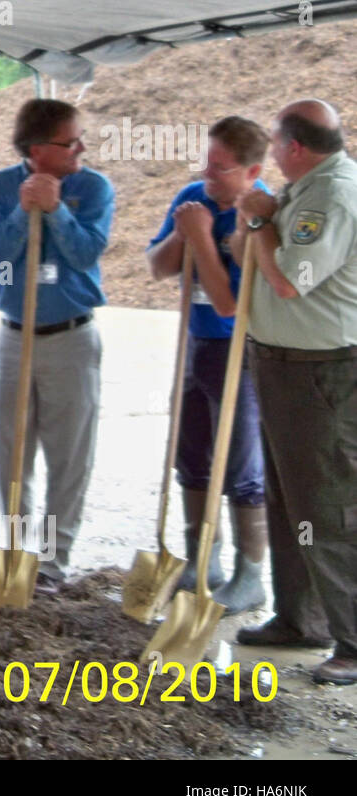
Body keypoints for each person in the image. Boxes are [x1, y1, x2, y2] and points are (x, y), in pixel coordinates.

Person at [235, 99, 357, 686]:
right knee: (287, 498)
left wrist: (261, 223)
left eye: (275, 143)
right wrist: (256, 222)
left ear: (296, 147)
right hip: (283, 364)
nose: (272, 154)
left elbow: (288, 282)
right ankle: (299, 618)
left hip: (321, 370)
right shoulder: (303, 188)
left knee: (326, 503)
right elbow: (255, 262)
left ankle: (353, 639)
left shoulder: (333, 196)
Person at [0, 97, 114, 594]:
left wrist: (55, 210)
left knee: (68, 453)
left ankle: (53, 562)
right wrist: (22, 211)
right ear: (38, 149)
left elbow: (86, 252)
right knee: (9, 453)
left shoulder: (93, 187)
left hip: (71, 338)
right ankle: (13, 553)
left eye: (79, 138)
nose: (80, 147)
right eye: (69, 141)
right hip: (13, 338)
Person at [146, 117, 269, 612]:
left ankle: (250, 573)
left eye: (220, 170)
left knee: (240, 465)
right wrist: (183, 235)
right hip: (194, 345)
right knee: (191, 454)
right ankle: (203, 557)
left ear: (252, 170)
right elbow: (158, 266)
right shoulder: (193, 197)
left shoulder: (259, 214)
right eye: (206, 164)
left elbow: (227, 304)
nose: (208, 176)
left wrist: (199, 236)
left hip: (238, 350)